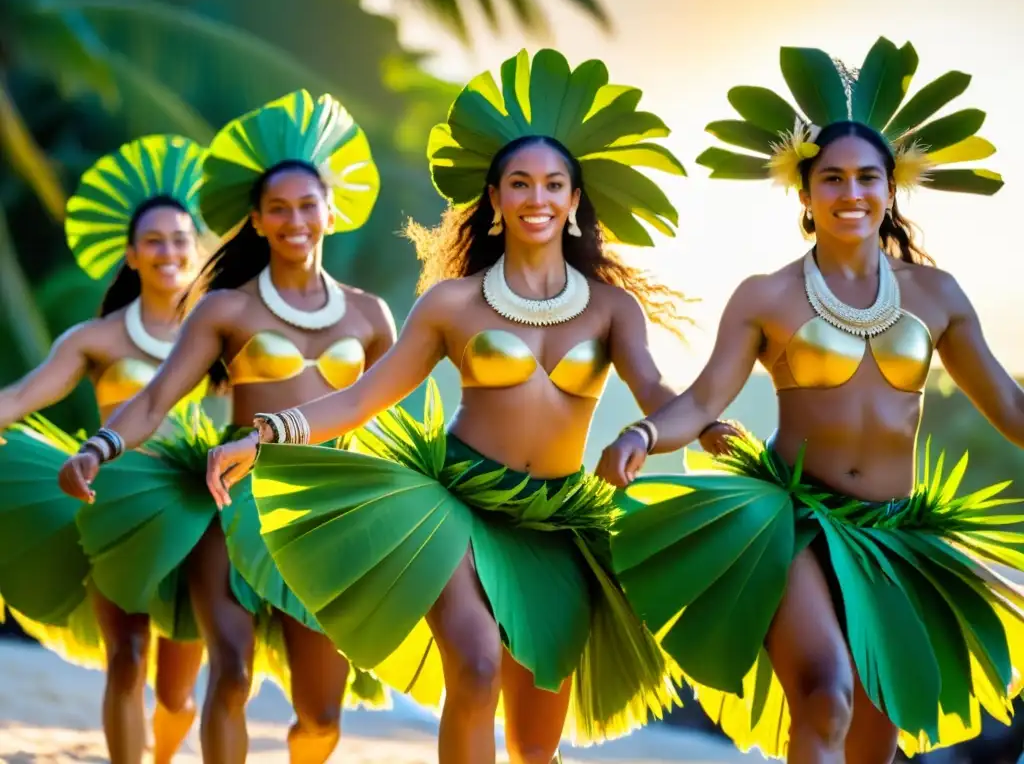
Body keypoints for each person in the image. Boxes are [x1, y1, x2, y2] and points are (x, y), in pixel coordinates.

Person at [192, 49, 732, 764]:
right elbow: (363, 395)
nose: (536, 198)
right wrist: (265, 433)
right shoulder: (453, 303)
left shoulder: (610, 309)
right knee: (475, 667)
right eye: (519, 183)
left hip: (558, 521)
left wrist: (666, 429)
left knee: (538, 740)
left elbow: (660, 393)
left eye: (553, 185)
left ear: (574, 202)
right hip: (456, 506)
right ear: (496, 198)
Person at [598, 37, 1024, 764]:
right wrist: (642, 433)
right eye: (831, 179)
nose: (850, 194)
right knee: (826, 692)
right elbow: (702, 399)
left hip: (893, 538)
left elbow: (1011, 410)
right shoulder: (768, 296)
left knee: (873, 739)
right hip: (791, 522)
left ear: (891, 189)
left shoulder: (936, 296)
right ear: (804, 192)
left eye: (867, 178)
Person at [56, 89, 391, 764]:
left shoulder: (371, 316)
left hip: (330, 518)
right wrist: (100, 446)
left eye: (306, 204)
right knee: (230, 671)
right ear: (258, 222)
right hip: (232, 504)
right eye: (277, 209)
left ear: (332, 208)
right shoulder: (224, 311)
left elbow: (380, 416)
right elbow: (155, 398)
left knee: (320, 717)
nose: (294, 219)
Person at [0, 135, 209, 764]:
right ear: (131, 254)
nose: (169, 251)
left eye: (180, 239)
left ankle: (165, 752)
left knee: (176, 692)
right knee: (126, 659)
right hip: (110, 505)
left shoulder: (220, 330)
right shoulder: (95, 339)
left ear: (195, 249)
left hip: (193, 513)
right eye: (154, 240)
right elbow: (23, 395)